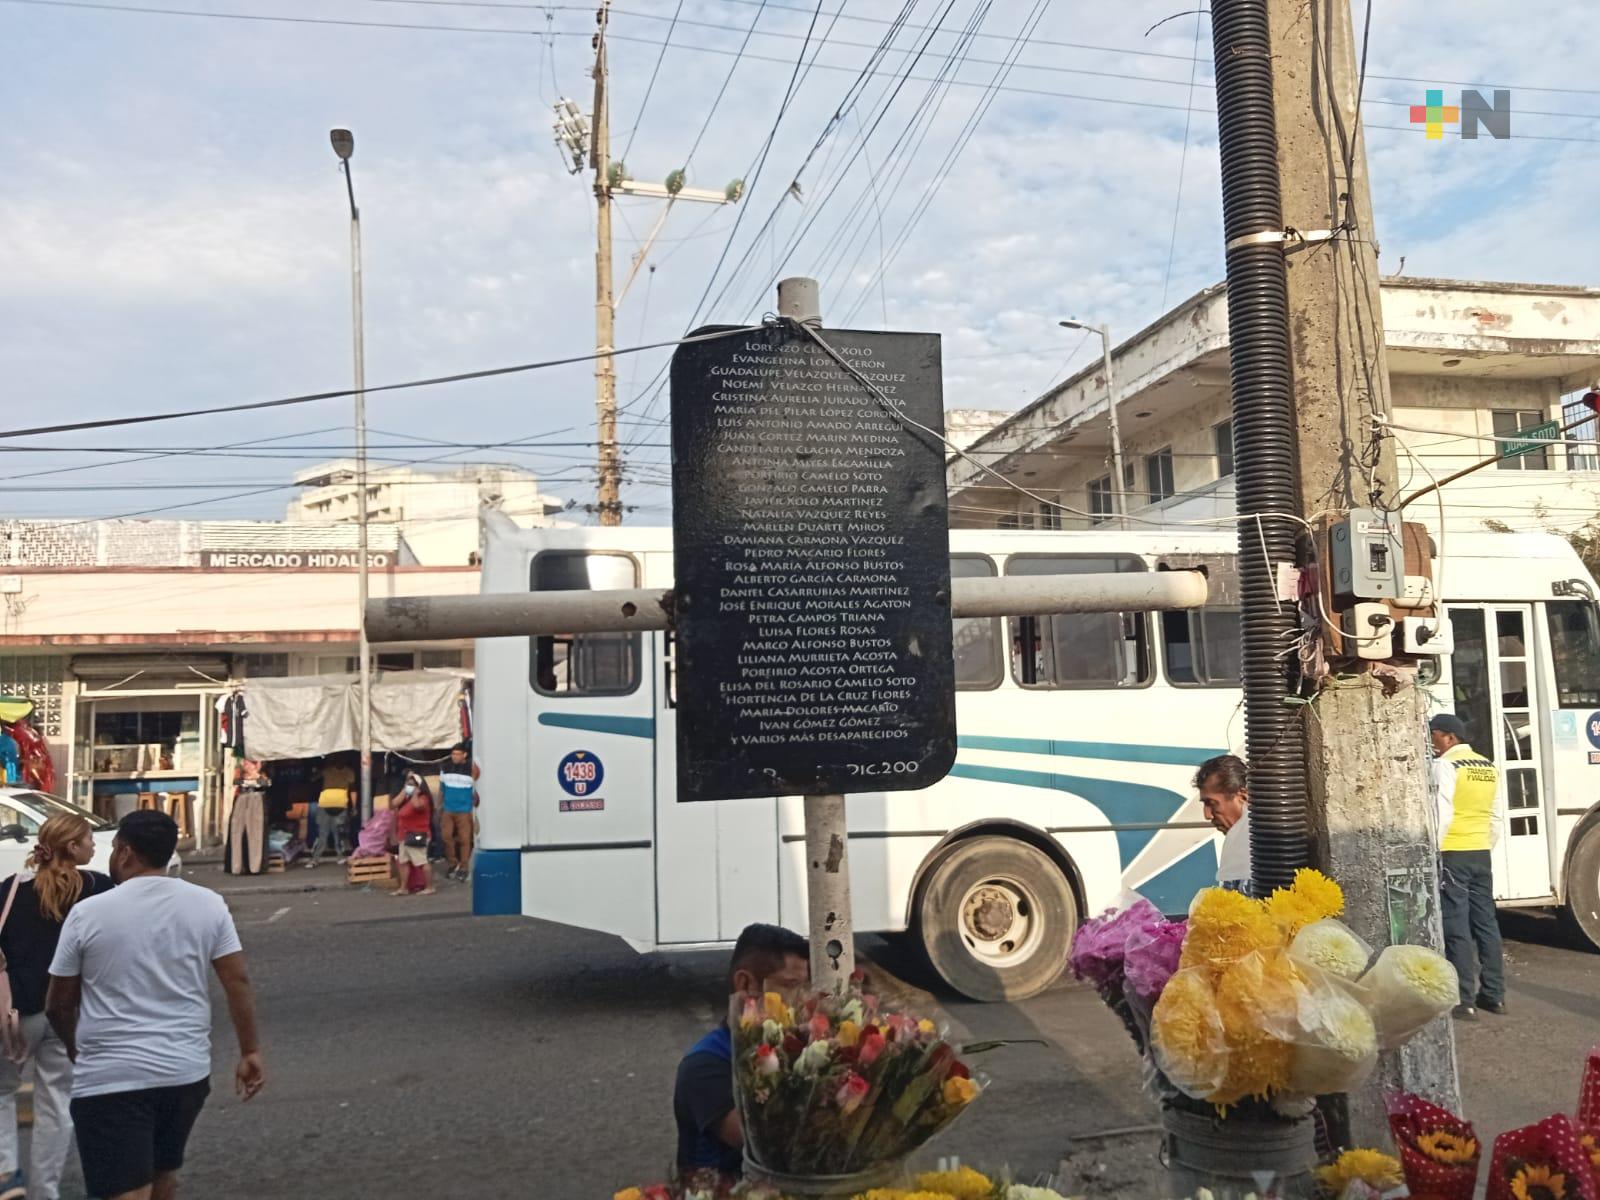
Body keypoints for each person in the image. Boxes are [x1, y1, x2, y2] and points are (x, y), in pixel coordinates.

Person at [44, 811, 264, 1200]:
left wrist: (78, 1050)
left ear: (126, 852)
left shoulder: (88, 914)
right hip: (184, 1074)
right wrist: (250, 1051)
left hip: (112, 1077)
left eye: (113, 848)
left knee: (125, 1190)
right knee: (163, 1179)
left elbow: (58, 1004)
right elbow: (237, 980)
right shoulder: (208, 904)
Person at [0, 815, 112, 1200]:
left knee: (1, 1091)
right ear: (72, 848)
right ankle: (44, 1192)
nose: (94, 846)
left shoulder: (11, 889)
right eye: (88, 840)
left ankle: (6, 1176)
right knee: (56, 1103)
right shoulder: (99, 889)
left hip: (17, 1011)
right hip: (70, 1011)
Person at [674, 924, 808, 1182]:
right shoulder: (705, 1066)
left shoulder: (787, 1048)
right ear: (745, 983)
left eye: (805, 987)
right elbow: (769, 1146)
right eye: (791, 986)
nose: (802, 1000)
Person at [1429, 713, 1506, 1020]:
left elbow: (1442, 812)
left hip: (1454, 854)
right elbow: (1496, 817)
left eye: (1434, 735)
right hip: (1480, 853)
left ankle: (1464, 1000)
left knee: (1456, 925)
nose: (1432, 741)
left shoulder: (1445, 766)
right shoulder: (1487, 767)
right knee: (1486, 923)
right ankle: (1494, 995)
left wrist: (1435, 850)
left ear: (1450, 738)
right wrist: (1485, 844)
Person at [1195, 754, 1251, 893]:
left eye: (1212, 804)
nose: (1207, 815)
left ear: (1243, 797)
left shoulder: (1266, 845)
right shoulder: (1237, 845)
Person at [436, 743, 479, 883]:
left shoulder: (471, 768)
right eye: (453, 754)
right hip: (448, 809)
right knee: (446, 836)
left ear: (464, 755)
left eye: (457, 754)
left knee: (464, 839)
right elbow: (442, 789)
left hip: (464, 810)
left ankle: (464, 867)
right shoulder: (446, 768)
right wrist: (439, 807)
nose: (454, 756)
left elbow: (478, 787)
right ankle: (453, 863)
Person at [390, 773, 436, 897]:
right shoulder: (406, 797)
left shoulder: (423, 798)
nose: (410, 786)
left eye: (412, 784)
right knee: (403, 862)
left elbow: (417, 806)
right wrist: (404, 791)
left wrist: (415, 794)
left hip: (417, 834)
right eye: (408, 783)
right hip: (403, 835)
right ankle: (403, 887)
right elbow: (393, 803)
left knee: (421, 861)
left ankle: (429, 886)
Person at [305, 755, 354, 869]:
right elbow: (313, 778)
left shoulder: (343, 771)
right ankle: (316, 858)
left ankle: (337, 856)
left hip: (337, 804)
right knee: (325, 833)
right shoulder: (329, 770)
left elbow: (353, 789)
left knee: (336, 832)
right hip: (330, 804)